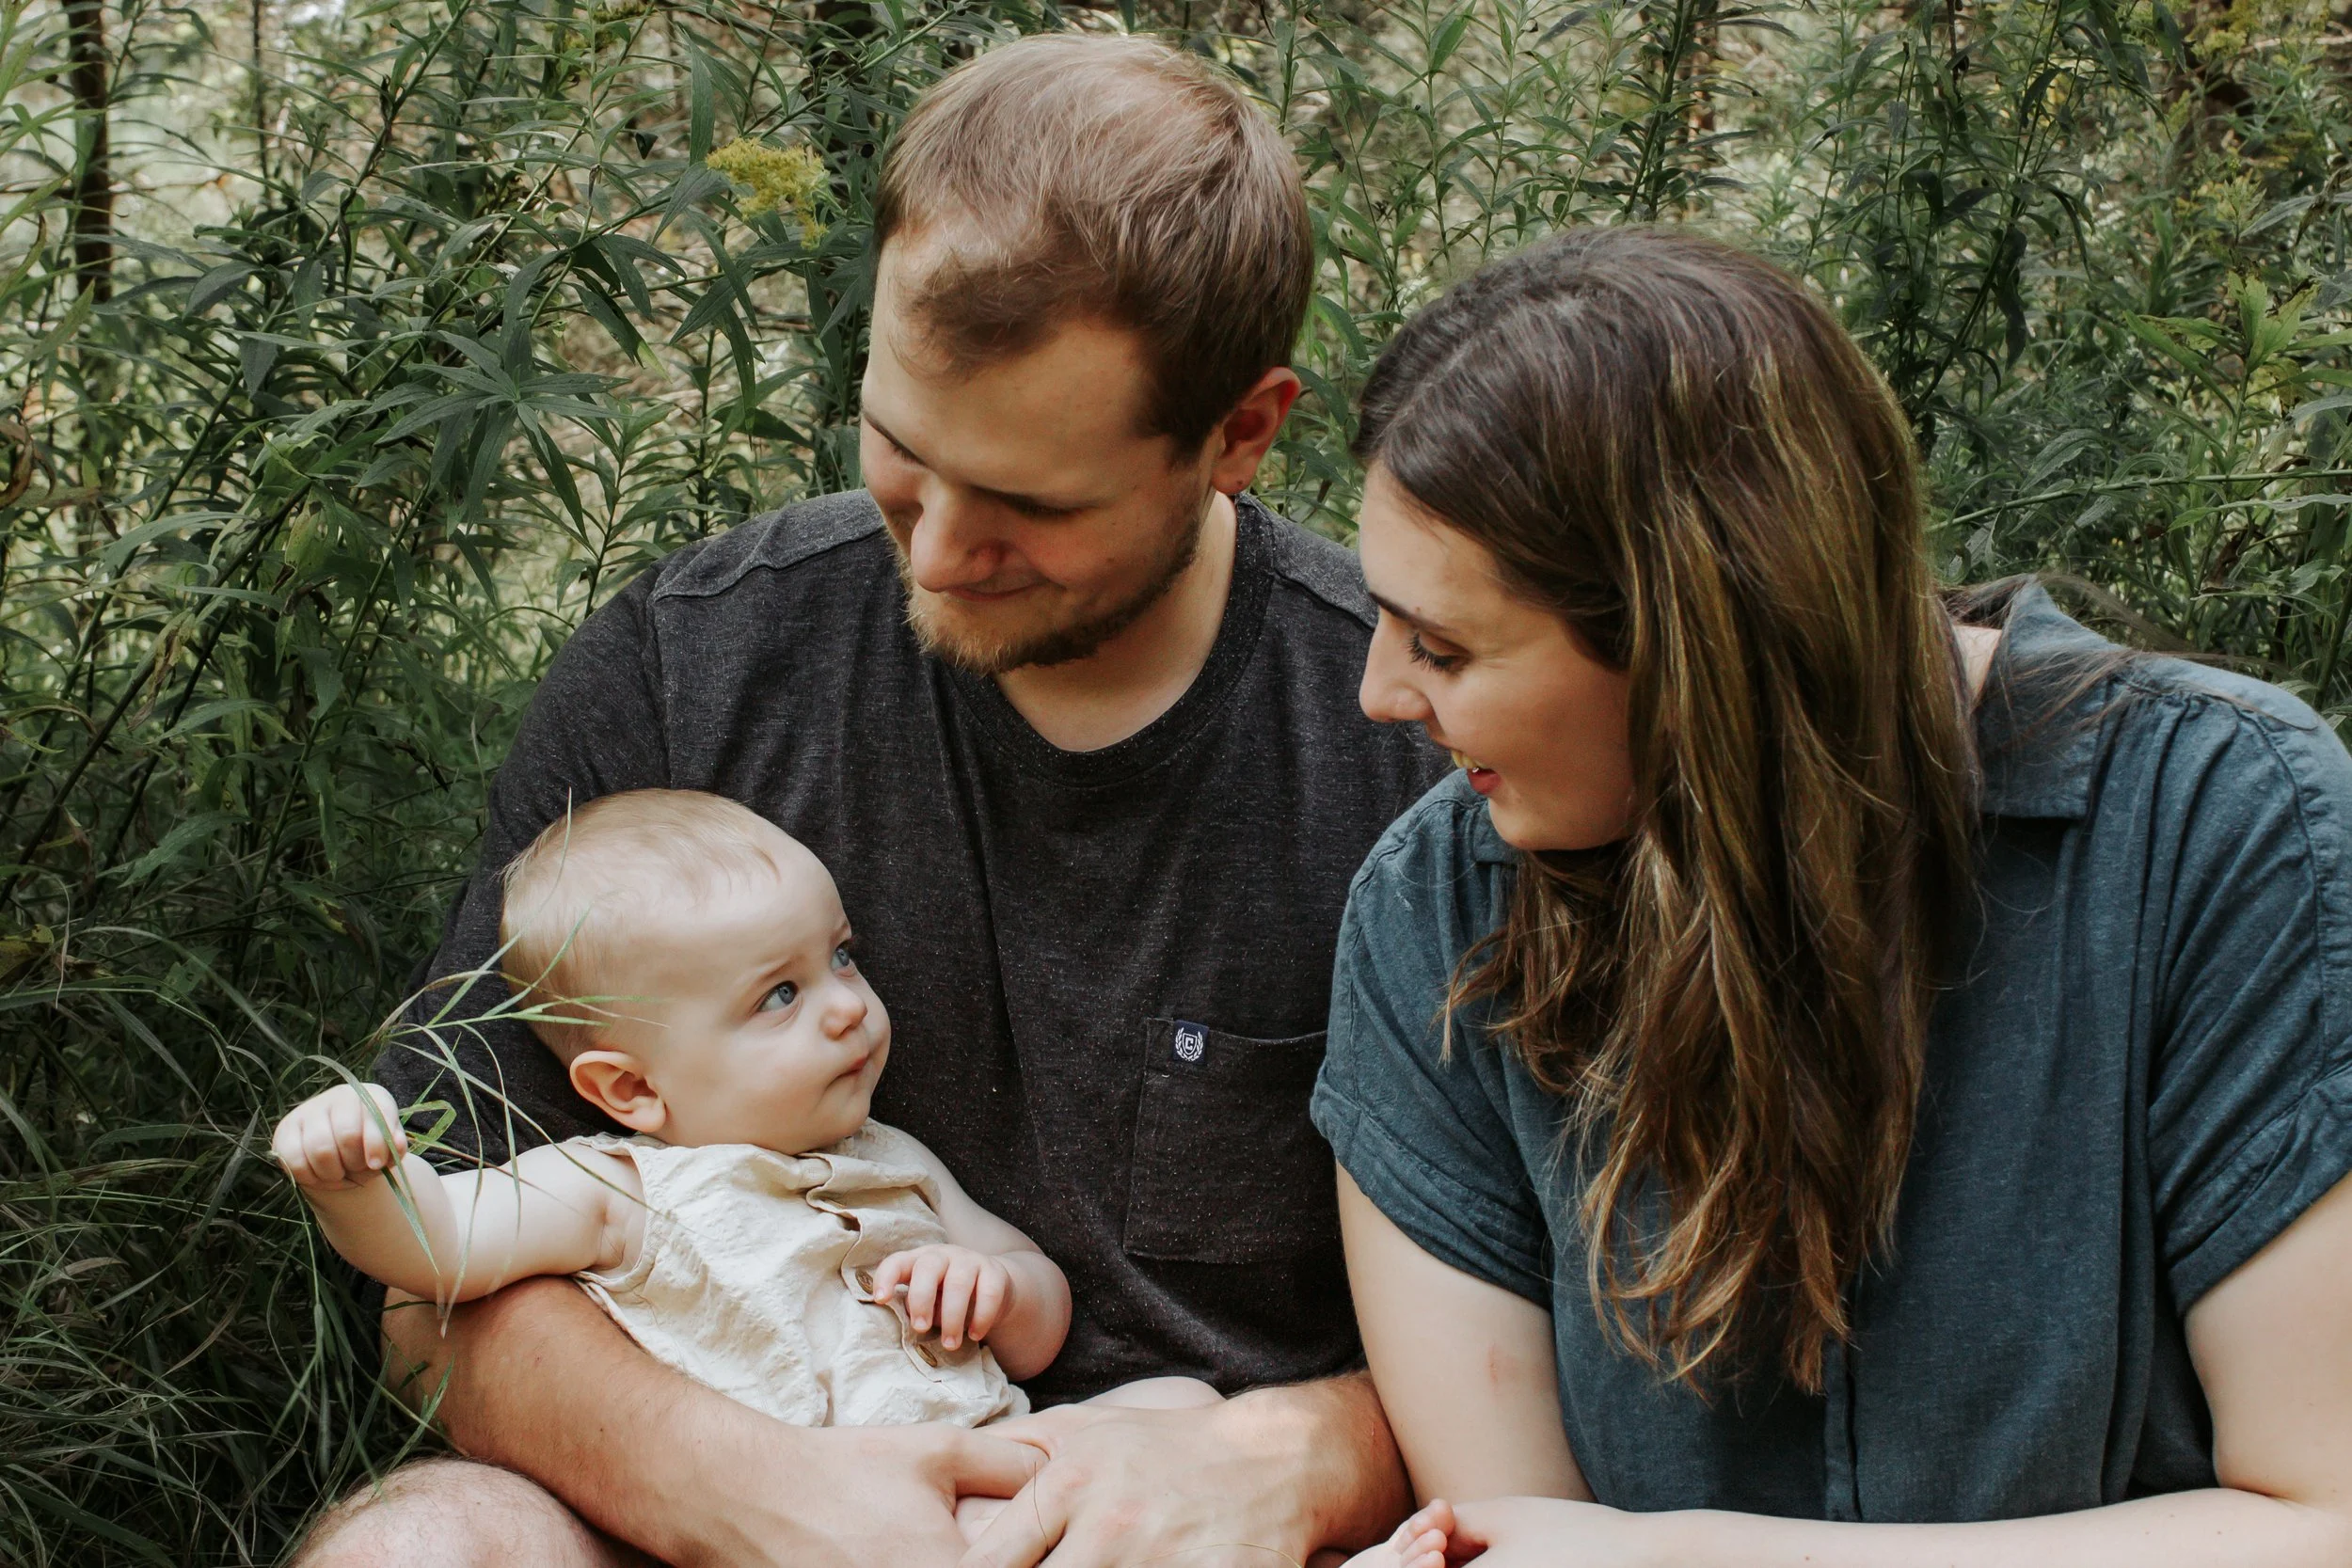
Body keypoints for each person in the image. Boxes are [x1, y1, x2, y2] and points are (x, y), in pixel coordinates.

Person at [294, 30, 1442, 1568]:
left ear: (1241, 432)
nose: (941, 550)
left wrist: (1306, 1461)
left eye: (1033, 502)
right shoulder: (693, 666)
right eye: (902, 448)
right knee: (424, 1546)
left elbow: (1591, 1337)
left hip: (1209, 1531)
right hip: (753, 1493)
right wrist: (747, 1489)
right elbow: (433, 1307)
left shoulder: (1412, 738)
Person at [1316, 225, 2352, 1567]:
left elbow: (2322, 1514)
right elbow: (1500, 1534)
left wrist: (1686, 1556)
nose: (1382, 694)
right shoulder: (1433, 917)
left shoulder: (2220, 822)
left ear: (1700, 643)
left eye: (1444, 646)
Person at [277, 793, 1219, 1537]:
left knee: (1183, 1405)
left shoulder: (892, 1159)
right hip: (790, 1515)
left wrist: (992, 1286)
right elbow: (438, 1247)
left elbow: (1040, 1316)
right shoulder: (617, 1187)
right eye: (779, 993)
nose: (847, 1004)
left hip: (981, 1457)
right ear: (633, 1089)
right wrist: (357, 1175)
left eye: (841, 956)